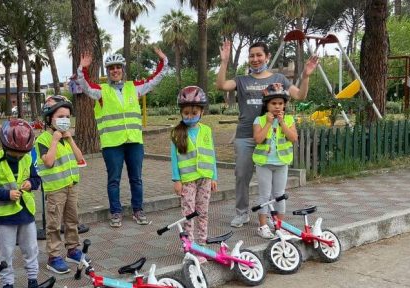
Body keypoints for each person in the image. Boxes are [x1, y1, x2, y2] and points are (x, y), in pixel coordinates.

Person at [216, 40, 317, 228]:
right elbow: (221, 85)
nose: (255, 59)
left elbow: (300, 96)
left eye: (259, 55)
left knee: (271, 182)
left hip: (271, 138)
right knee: (242, 175)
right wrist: (224, 62)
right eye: (252, 55)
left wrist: (305, 77)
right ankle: (242, 213)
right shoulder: (241, 80)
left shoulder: (279, 79)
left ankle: (271, 215)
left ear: (267, 56)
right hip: (246, 135)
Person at [76, 47, 169, 227]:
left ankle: (138, 210)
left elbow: (155, 79)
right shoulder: (101, 91)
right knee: (114, 180)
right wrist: (83, 68)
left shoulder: (134, 87)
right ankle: (116, 212)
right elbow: (84, 85)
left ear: (123, 69)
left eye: (118, 67)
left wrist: (163, 60)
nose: (115, 70)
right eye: (111, 68)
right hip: (112, 144)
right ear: (108, 72)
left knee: (136, 178)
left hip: (134, 142)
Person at [0, 119, 41, 288]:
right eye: (14, 154)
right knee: (5, 252)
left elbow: (37, 180)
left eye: (22, 154)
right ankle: (8, 284)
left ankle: (33, 281)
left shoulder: (27, 158)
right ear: (4, 145)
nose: (18, 157)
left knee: (31, 249)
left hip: (26, 214)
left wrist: (31, 183)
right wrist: (6, 194)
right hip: (6, 217)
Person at [35, 95, 89, 274]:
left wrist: (70, 139)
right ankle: (54, 257)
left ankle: (73, 250)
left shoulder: (67, 138)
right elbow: (48, 162)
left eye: (67, 117)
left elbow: (80, 158)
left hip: (72, 185)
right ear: (49, 118)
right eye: (60, 117)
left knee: (72, 220)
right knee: (54, 224)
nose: (65, 120)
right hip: (55, 189)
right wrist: (55, 140)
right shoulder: (43, 139)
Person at [170, 86, 218, 263]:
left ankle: (202, 246)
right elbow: (174, 158)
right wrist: (177, 180)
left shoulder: (206, 130)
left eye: (193, 112)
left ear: (201, 112)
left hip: (205, 178)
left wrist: (214, 176)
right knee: (188, 214)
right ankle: (189, 247)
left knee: (203, 212)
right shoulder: (177, 132)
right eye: (186, 113)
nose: (189, 116)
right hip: (187, 180)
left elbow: (212, 153)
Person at [252, 83, 298, 239]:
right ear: (267, 105)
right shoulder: (259, 120)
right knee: (264, 195)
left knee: (279, 194)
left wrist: (282, 122)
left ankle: (279, 224)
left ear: (284, 105)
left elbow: (293, 138)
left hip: (281, 163)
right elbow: (258, 139)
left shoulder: (289, 119)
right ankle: (263, 226)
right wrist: (270, 123)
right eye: (273, 103)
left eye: (280, 103)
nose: (277, 106)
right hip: (264, 163)